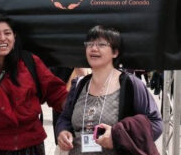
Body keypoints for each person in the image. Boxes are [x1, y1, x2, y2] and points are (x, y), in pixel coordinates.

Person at [0, 13, 68, 155]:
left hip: (32, 146)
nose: (2, 38)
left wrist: (81, 116)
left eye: (7, 33)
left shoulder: (30, 62)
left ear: (14, 36)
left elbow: (57, 93)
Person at [56, 25, 162, 155]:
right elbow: (65, 118)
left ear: (115, 52)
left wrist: (117, 137)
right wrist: (62, 131)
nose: (93, 48)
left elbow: (156, 124)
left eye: (101, 44)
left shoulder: (131, 85)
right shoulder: (79, 85)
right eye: (89, 44)